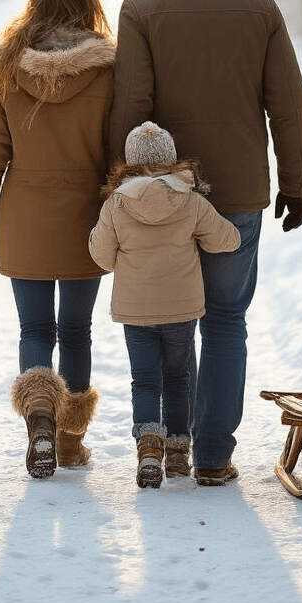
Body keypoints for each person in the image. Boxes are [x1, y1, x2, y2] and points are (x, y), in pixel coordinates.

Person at [109, 0, 302, 486]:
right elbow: (288, 104)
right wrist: (296, 182)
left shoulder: (141, 6)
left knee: (171, 318)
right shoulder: (260, 6)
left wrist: (120, 187)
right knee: (226, 320)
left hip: (164, 194)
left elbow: (133, 105)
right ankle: (214, 457)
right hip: (240, 192)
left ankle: (169, 437)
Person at [0, 0, 115, 479]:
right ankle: (69, 445)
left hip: (24, 219)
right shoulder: (109, 72)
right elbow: (119, 156)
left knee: (34, 328)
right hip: (85, 223)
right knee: (75, 330)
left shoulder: (9, 71)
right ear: (87, 6)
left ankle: (39, 420)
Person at [89, 121, 240, 488]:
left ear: (130, 162)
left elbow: (101, 258)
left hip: (136, 312)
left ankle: (149, 452)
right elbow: (229, 240)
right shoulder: (191, 201)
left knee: (144, 381)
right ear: (171, 159)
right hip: (181, 311)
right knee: (178, 379)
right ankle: (177, 453)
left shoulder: (116, 204)